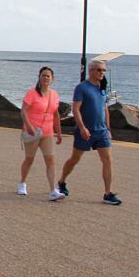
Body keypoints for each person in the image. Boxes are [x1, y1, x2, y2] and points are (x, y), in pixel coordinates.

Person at [57, 59, 122, 205]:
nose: (102, 73)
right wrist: (82, 128)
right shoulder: (82, 88)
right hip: (85, 131)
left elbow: (105, 109)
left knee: (107, 160)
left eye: (104, 70)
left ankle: (108, 193)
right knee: (75, 159)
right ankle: (62, 182)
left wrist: (108, 129)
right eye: (99, 70)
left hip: (102, 132)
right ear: (91, 71)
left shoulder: (103, 88)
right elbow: (76, 109)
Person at [17, 66, 64, 200]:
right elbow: (24, 111)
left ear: (52, 79)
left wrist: (59, 133)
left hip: (48, 133)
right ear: (39, 77)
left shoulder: (54, 95)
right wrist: (29, 126)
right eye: (43, 75)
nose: (45, 78)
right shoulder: (32, 93)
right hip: (33, 132)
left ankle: (52, 190)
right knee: (29, 159)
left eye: (48, 76)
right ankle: (22, 183)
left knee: (50, 160)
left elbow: (56, 115)